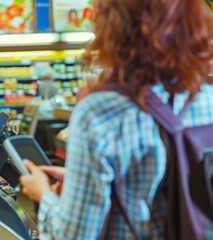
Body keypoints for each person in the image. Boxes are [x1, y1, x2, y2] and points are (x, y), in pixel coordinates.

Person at [19, 0, 213, 239]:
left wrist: (44, 194)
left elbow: (74, 235)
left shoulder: (99, 113)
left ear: (113, 26)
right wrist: (81, 183)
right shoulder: (207, 97)